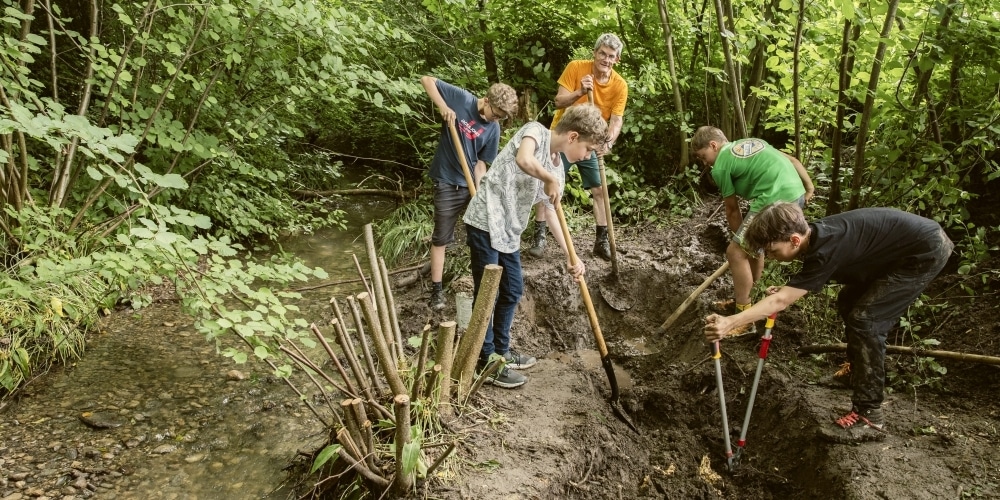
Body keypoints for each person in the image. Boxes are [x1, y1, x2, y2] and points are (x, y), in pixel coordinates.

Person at [703, 202, 953, 442]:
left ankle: (870, 415)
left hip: (923, 252)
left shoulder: (826, 248)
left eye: (772, 250)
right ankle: (857, 373)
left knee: (867, 321)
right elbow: (815, 275)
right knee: (848, 301)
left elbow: (781, 301)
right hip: (899, 251)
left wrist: (732, 321)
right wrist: (791, 288)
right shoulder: (818, 238)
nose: (770, 256)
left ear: (794, 240)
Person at [463, 104, 608, 388]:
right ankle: (487, 361)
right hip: (485, 220)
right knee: (487, 294)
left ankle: (502, 351)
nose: (587, 156)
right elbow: (524, 159)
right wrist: (549, 178)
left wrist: (571, 256)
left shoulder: (558, 169)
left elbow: (551, 211)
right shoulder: (535, 132)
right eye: (589, 149)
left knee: (513, 288)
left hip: (508, 232)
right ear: (573, 136)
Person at [691, 126, 815, 335]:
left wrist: (740, 241)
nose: (705, 163)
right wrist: (809, 189)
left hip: (774, 198)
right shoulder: (751, 143)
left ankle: (743, 320)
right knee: (754, 247)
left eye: (703, 157)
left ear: (713, 145)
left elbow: (732, 211)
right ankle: (750, 301)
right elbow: (793, 160)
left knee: (735, 252)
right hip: (796, 194)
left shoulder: (720, 166)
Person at [526, 33, 628, 261]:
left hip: (590, 142)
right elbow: (559, 101)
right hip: (564, 138)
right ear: (594, 52)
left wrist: (608, 142)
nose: (606, 59)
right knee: (547, 184)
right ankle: (540, 236)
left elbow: (617, 119)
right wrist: (580, 92)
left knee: (600, 190)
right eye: (602, 53)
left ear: (617, 60)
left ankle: (601, 241)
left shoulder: (620, 85)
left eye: (611, 56)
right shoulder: (576, 68)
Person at [420, 76, 518, 311]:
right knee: (441, 237)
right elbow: (427, 80)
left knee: (481, 234)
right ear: (486, 100)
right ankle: (437, 291)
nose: (496, 119)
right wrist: (443, 107)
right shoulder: (461, 98)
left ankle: (482, 287)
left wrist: (479, 193)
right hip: (446, 181)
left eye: (501, 117)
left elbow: (481, 164)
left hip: (469, 185)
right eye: (495, 113)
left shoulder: (493, 128)